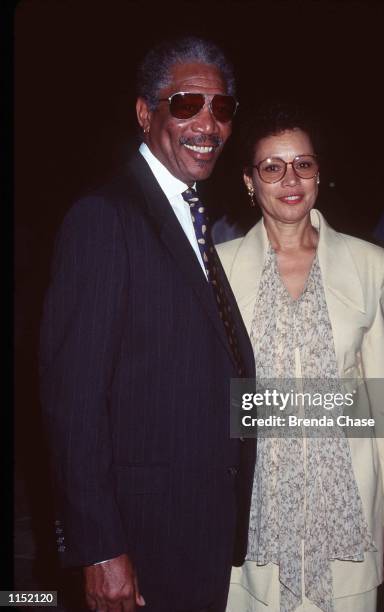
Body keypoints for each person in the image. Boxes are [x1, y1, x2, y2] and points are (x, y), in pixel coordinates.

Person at [39, 36, 256, 612]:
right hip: (140, 541)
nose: (208, 124)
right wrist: (100, 547)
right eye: (187, 104)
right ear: (145, 114)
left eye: (222, 108)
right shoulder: (105, 217)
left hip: (200, 531)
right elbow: (73, 400)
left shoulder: (194, 217)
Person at [217, 103, 384, 612]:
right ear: (249, 181)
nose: (290, 179)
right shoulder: (220, 270)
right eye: (272, 167)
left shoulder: (369, 263)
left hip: (347, 507)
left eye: (303, 163)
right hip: (255, 511)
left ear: (319, 171)